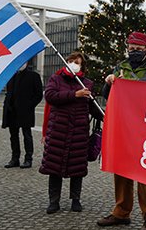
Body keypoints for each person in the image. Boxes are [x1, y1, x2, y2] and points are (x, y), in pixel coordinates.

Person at [96, 31, 146, 230]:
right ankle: (121, 211)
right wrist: (109, 81)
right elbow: (106, 94)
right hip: (123, 125)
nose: (134, 51)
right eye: (131, 48)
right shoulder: (120, 66)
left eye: (138, 48)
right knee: (122, 168)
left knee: (145, 171)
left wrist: (122, 81)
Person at [40, 52, 102, 214]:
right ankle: (54, 201)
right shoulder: (56, 78)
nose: (74, 63)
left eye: (77, 62)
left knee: (77, 168)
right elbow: (51, 96)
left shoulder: (87, 83)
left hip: (78, 131)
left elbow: (92, 108)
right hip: (58, 130)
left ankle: (76, 199)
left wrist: (105, 116)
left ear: (82, 66)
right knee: (54, 167)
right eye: (71, 61)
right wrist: (75, 94)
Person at [2, 62, 43, 169]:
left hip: (25, 111)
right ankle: (15, 159)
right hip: (12, 111)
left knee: (27, 135)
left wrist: (30, 105)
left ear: (27, 62)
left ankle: (28, 159)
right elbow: (9, 92)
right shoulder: (11, 75)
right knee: (13, 136)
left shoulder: (33, 76)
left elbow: (39, 94)